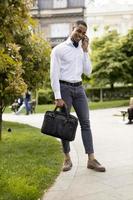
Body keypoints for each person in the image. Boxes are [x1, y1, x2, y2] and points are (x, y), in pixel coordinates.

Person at [50, 20, 106, 172]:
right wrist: (57, 96)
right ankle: (67, 159)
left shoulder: (82, 49)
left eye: (83, 33)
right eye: (78, 31)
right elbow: (54, 74)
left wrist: (86, 50)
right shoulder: (59, 50)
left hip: (79, 88)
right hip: (64, 89)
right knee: (64, 124)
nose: (80, 34)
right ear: (72, 28)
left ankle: (91, 159)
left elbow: (88, 72)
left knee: (86, 123)